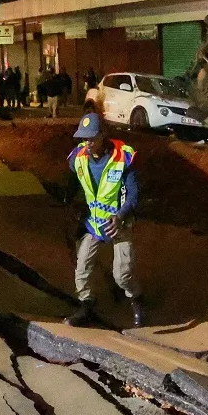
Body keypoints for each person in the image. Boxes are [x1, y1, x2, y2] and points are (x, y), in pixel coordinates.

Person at [64, 112, 143, 327]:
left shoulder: (122, 158)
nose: (87, 142)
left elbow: (134, 194)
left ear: (103, 134)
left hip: (119, 222)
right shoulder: (78, 158)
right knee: (83, 266)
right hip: (94, 222)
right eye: (83, 138)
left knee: (123, 273)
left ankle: (135, 299)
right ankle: (86, 303)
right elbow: (73, 181)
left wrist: (119, 217)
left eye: (91, 137)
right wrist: (69, 202)